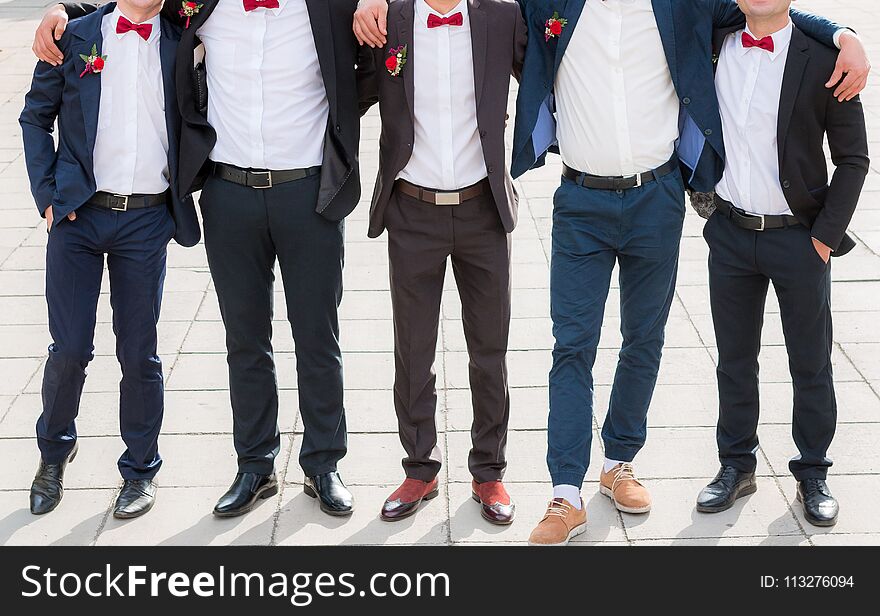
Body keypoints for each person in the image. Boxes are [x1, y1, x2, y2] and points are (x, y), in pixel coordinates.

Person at [350, 0, 871, 546]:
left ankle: (620, 461)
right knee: (571, 345)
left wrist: (843, 33)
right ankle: (566, 493)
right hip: (581, 202)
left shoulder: (684, 6)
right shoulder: (548, 4)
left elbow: (764, 10)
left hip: (658, 197)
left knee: (644, 340)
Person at [33, 0, 376, 518]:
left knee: (317, 335)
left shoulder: (329, 8)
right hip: (228, 193)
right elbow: (131, 6)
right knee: (244, 338)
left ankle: (323, 463)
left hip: (309, 192)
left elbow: (374, 58)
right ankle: (255, 464)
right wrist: (60, 8)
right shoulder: (201, 7)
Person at [20, 0, 200, 519]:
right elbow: (35, 116)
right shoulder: (76, 35)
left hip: (146, 220)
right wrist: (48, 194)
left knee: (139, 351)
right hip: (79, 218)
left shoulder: (181, 36)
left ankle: (141, 470)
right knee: (70, 347)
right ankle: (53, 453)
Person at [695, 0, 869, 528]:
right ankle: (735, 464)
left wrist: (824, 239)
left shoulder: (823, 58)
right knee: (734, 360)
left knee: (810, 362)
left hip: (799, 239)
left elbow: (854, 158)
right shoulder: (714, 41)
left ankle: (813, 470)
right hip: (730, 232)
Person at [363, 0, 526, 525]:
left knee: (490, 348)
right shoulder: (390, 19)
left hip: (483, 208)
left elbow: (558, 61)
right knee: (413, 349)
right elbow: (338, 74)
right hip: (412, 209)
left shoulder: (503, 15)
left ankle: (489, 471)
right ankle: (419, 467)